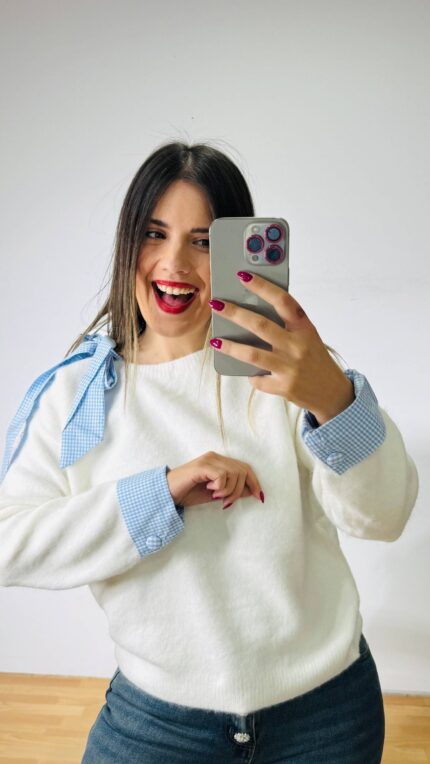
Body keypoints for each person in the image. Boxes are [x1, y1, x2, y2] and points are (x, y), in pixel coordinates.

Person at [0, 141, 419, 763]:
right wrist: (161, 492)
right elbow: (10, 544)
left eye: (202, 241)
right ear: (127, 243)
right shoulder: (79, 395)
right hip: (156, 723)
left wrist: (334, 400)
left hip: (324, 718)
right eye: (154, 234)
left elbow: (384, 516)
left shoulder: (289, 370)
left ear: (233, 252)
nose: (174, 263)